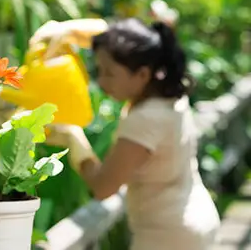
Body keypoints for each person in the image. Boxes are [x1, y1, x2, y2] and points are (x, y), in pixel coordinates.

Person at [31, 17, 221, 250]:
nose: (101, 81)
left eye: (109, 73)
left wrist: (74, 139)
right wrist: (66, 30)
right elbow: (109, 38)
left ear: (142, 74)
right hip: (193, 216)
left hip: (168, 236)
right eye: (99, 70)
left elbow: (103, 186)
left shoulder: (146, 119)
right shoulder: (168, 89)